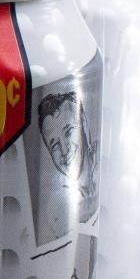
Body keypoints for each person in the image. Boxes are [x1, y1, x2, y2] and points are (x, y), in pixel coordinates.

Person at [34, 87, 98, 240]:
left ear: (83, 124)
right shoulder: (55, 208)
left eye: (69, 132)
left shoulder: (106, 165)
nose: (64, 150)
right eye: (55, 145)